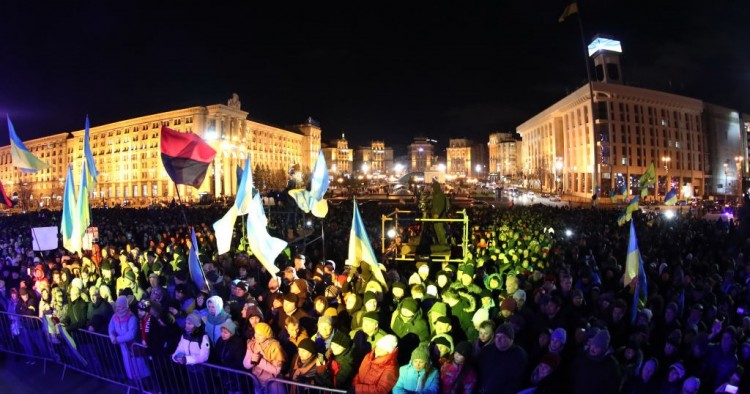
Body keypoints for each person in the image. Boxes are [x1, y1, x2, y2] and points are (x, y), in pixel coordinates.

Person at [477, 323, 528, 394]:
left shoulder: (518, 356)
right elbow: (479, 370)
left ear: (511, 339)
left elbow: (515, 382)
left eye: (503, 337)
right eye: (497, 336)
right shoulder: (488, 350)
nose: (498, 340)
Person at [243, 322, 286, 390]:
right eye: (256, 333)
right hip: (257, 381)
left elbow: (276, 370)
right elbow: (245, 364)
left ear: (267, 336)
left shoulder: (275, 347)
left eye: (260, 335)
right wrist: (251, 361)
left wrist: (260, 361)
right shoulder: (252, 344)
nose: (256, 336)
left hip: (272, 383)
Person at [109, 295, 140, 380]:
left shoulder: (131, 317)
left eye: (119, 306)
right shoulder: (115, 317)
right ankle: (133, 383)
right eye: (117, 306)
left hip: (133, 346)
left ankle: (141, 385)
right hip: (123, 346)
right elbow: (111, 328)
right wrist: (112, 336)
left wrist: (117, 339)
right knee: (128, 367)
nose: (118, 308)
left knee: (137, 367)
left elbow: (131, 334)